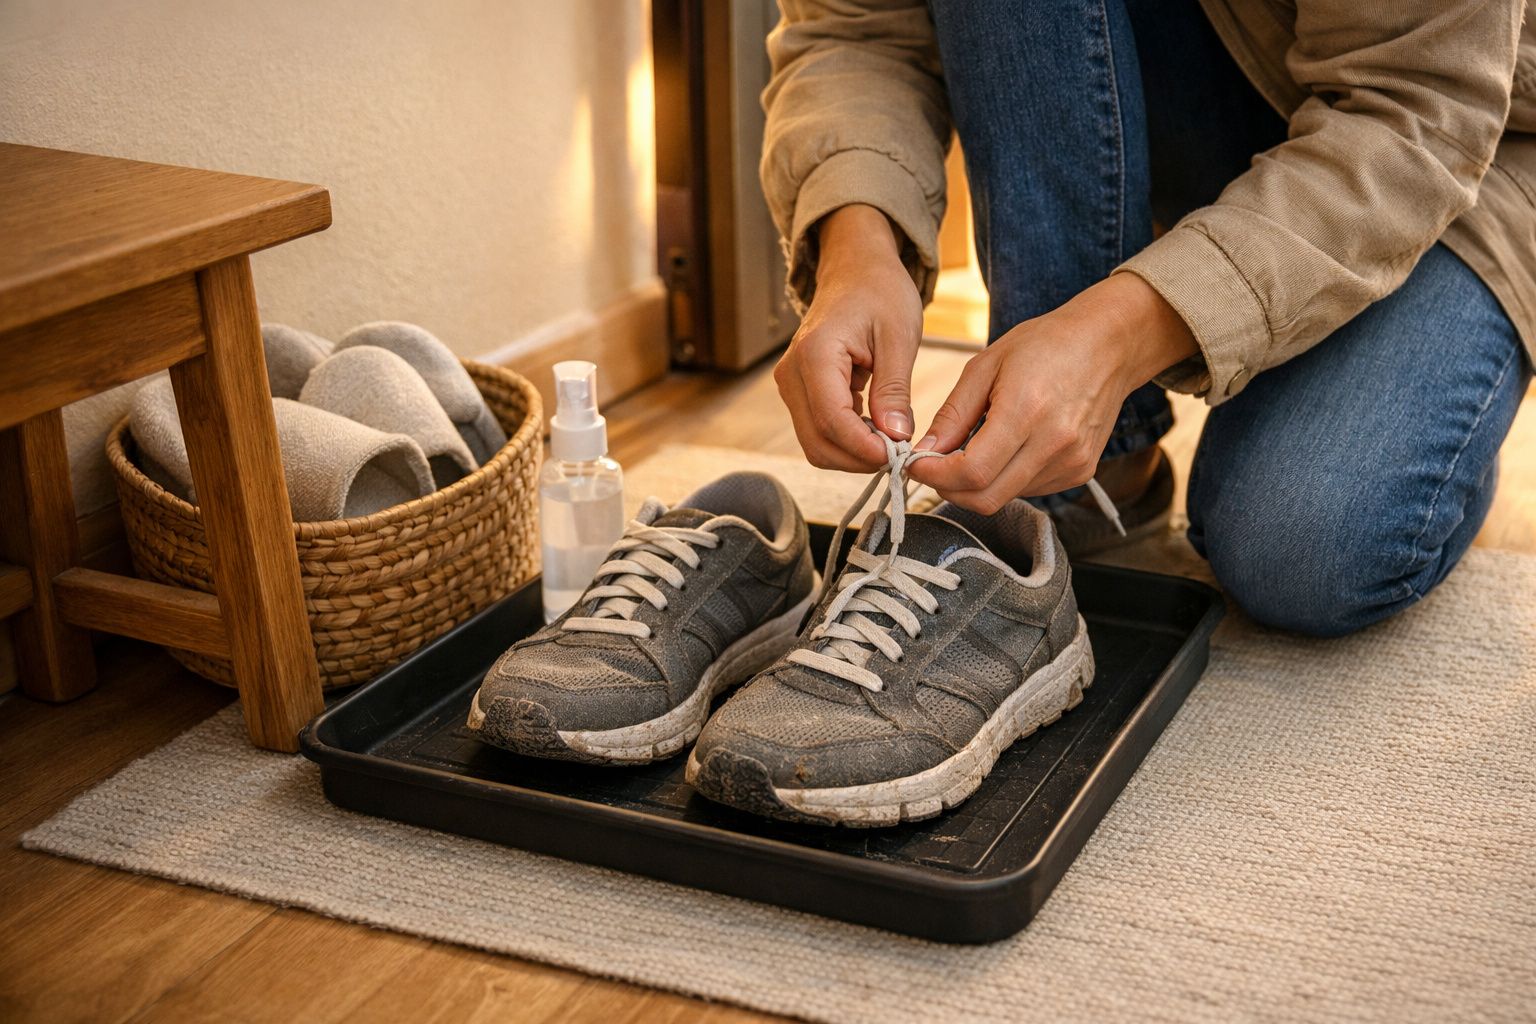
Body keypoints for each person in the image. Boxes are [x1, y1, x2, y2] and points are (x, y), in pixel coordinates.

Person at [761, 0, 1535, 637]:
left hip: (1470, 145)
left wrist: (1123, 332)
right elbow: (854, 27)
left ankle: (1455, 392)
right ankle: (1086, 481)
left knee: (1297, 550)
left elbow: (1416, 108)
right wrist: (856, 243)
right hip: (1210, 82)